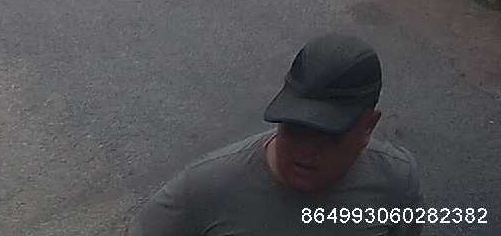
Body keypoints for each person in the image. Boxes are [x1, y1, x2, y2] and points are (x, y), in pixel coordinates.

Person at [130, 33, 422, 235]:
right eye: (295, 128)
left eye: (328, 137)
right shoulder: (206, 188)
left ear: (368, 126)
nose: (305, 153)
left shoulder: (396, 181)